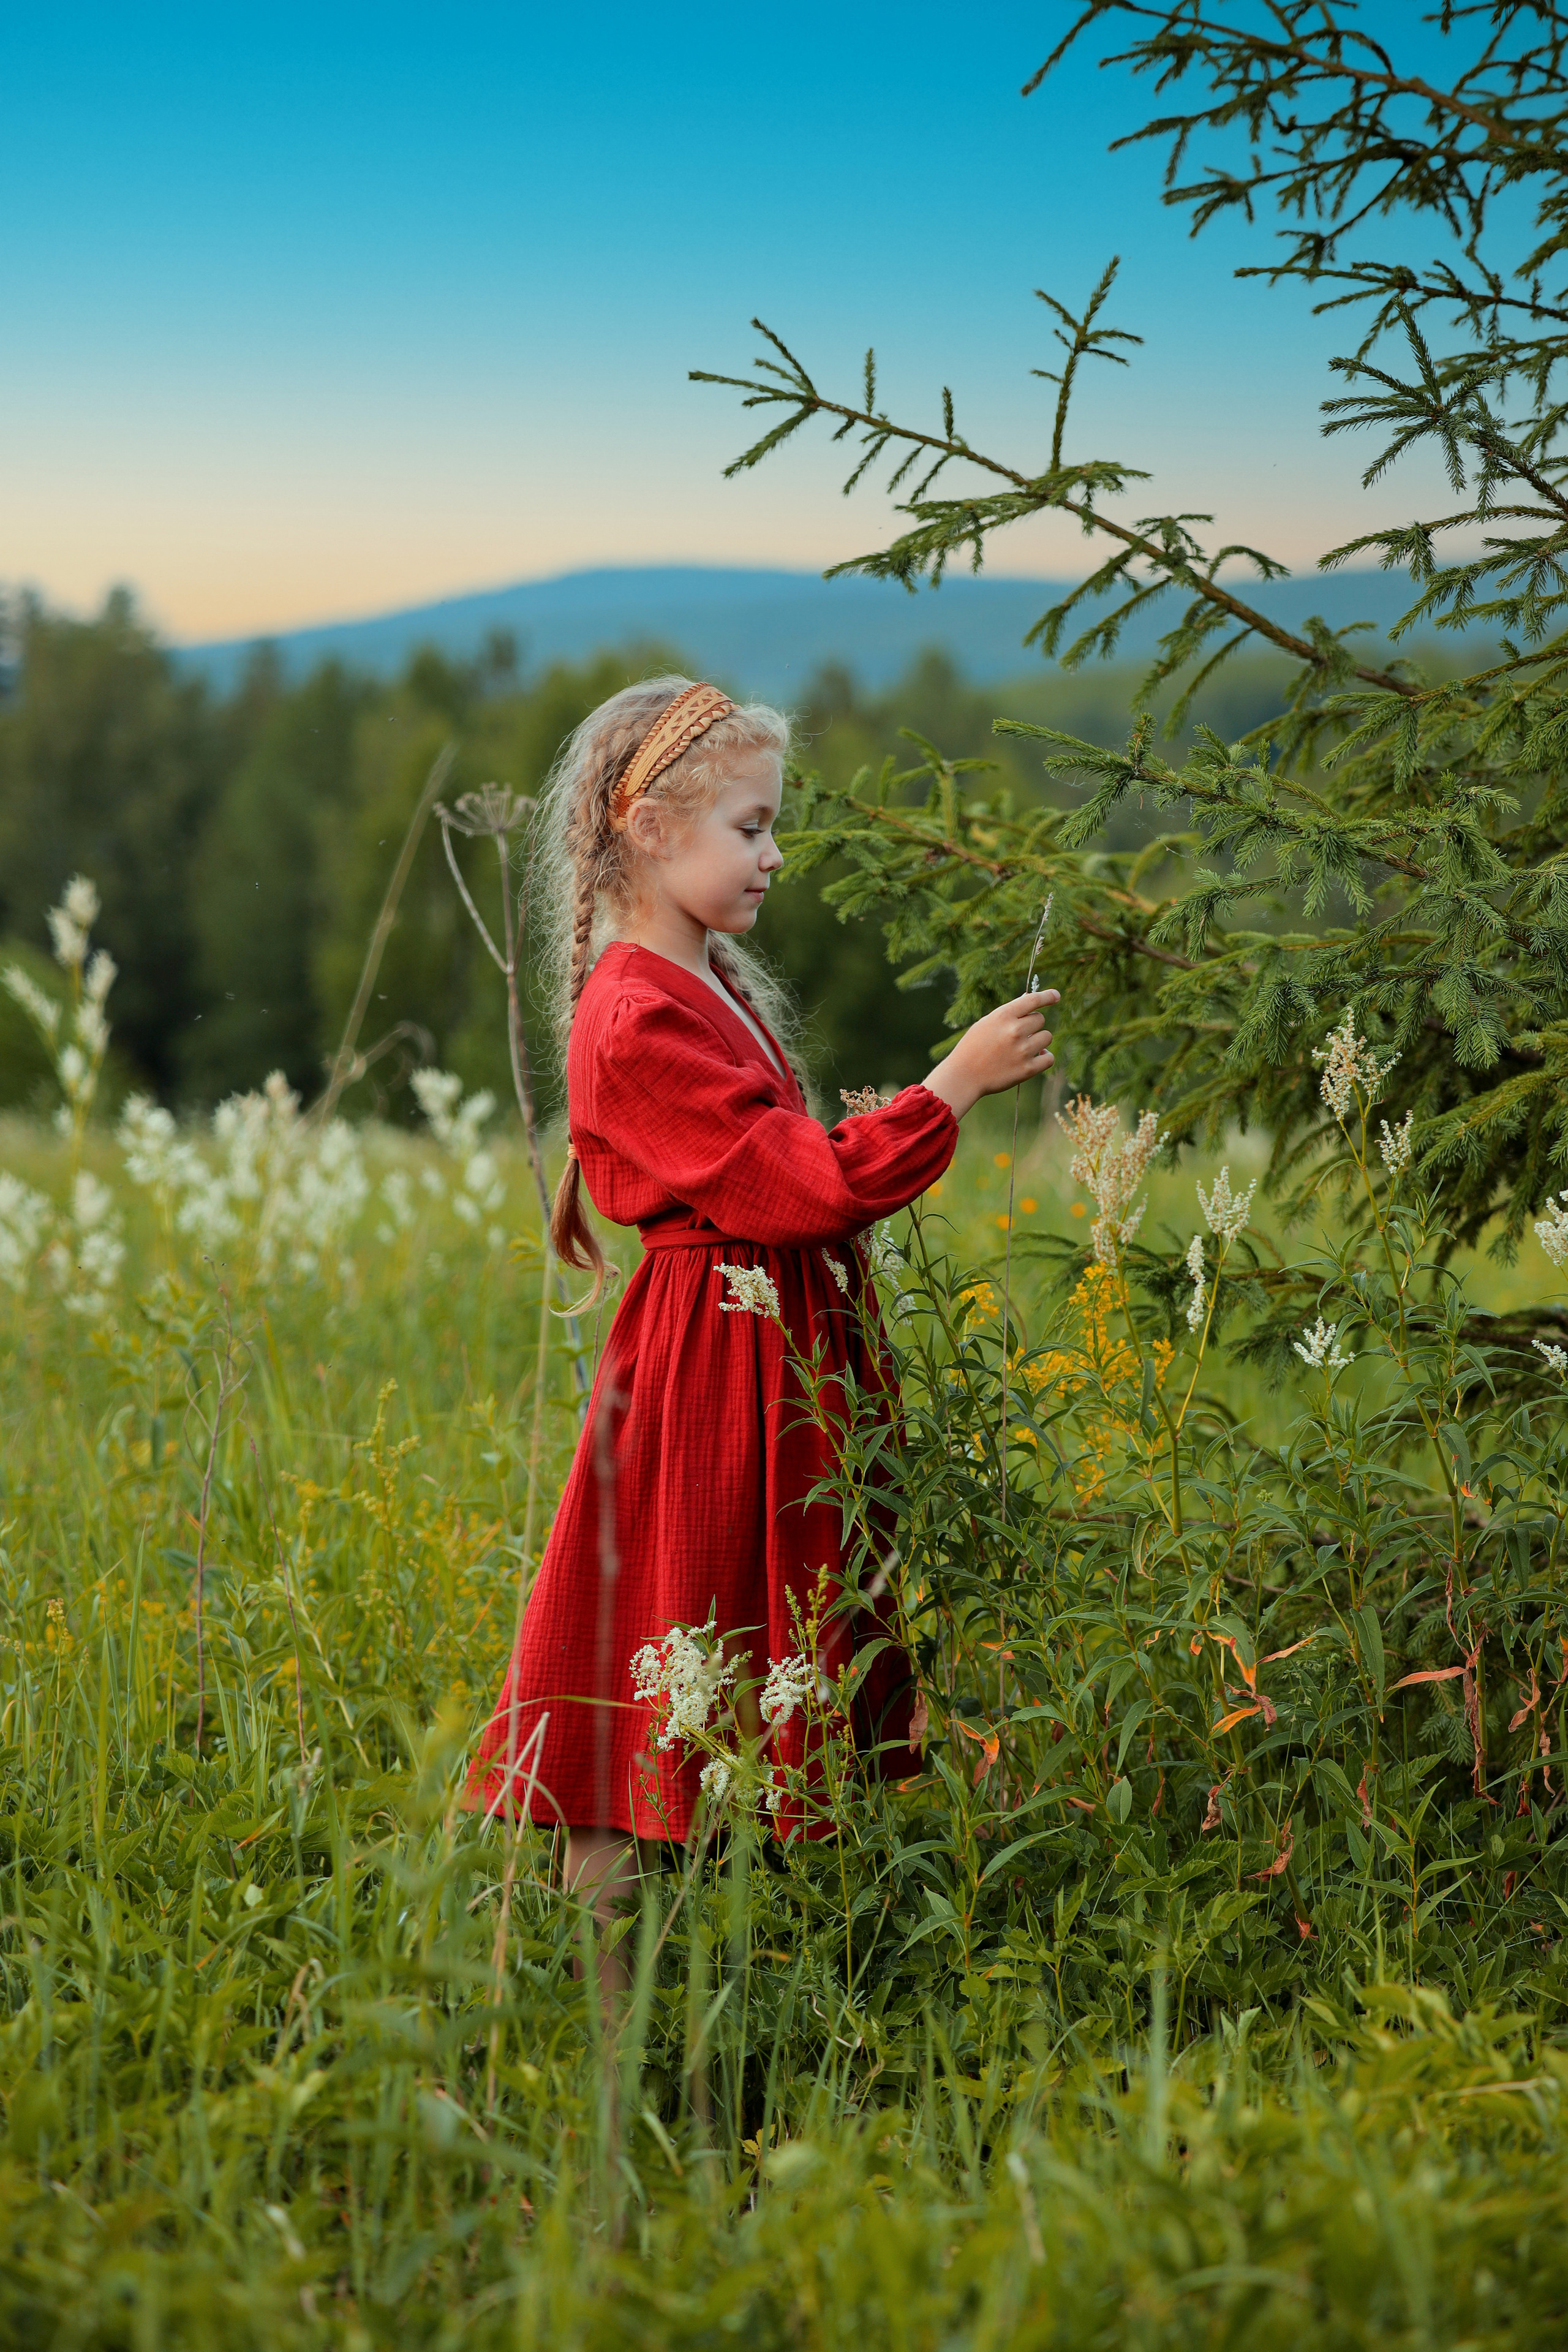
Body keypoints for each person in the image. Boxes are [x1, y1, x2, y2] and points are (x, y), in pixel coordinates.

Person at [465, 676, 1058, 1936]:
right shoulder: (633, 1016)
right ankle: (608, 2000)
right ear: (649, 827)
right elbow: (804, 1187)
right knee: (660, 1650)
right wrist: (951, 1085)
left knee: (756, 1642)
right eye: (750, 827)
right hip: (706, 1371)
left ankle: (749, 1961)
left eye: (770, 825)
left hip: (762, 1355)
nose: (773, 854)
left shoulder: (703, 981)